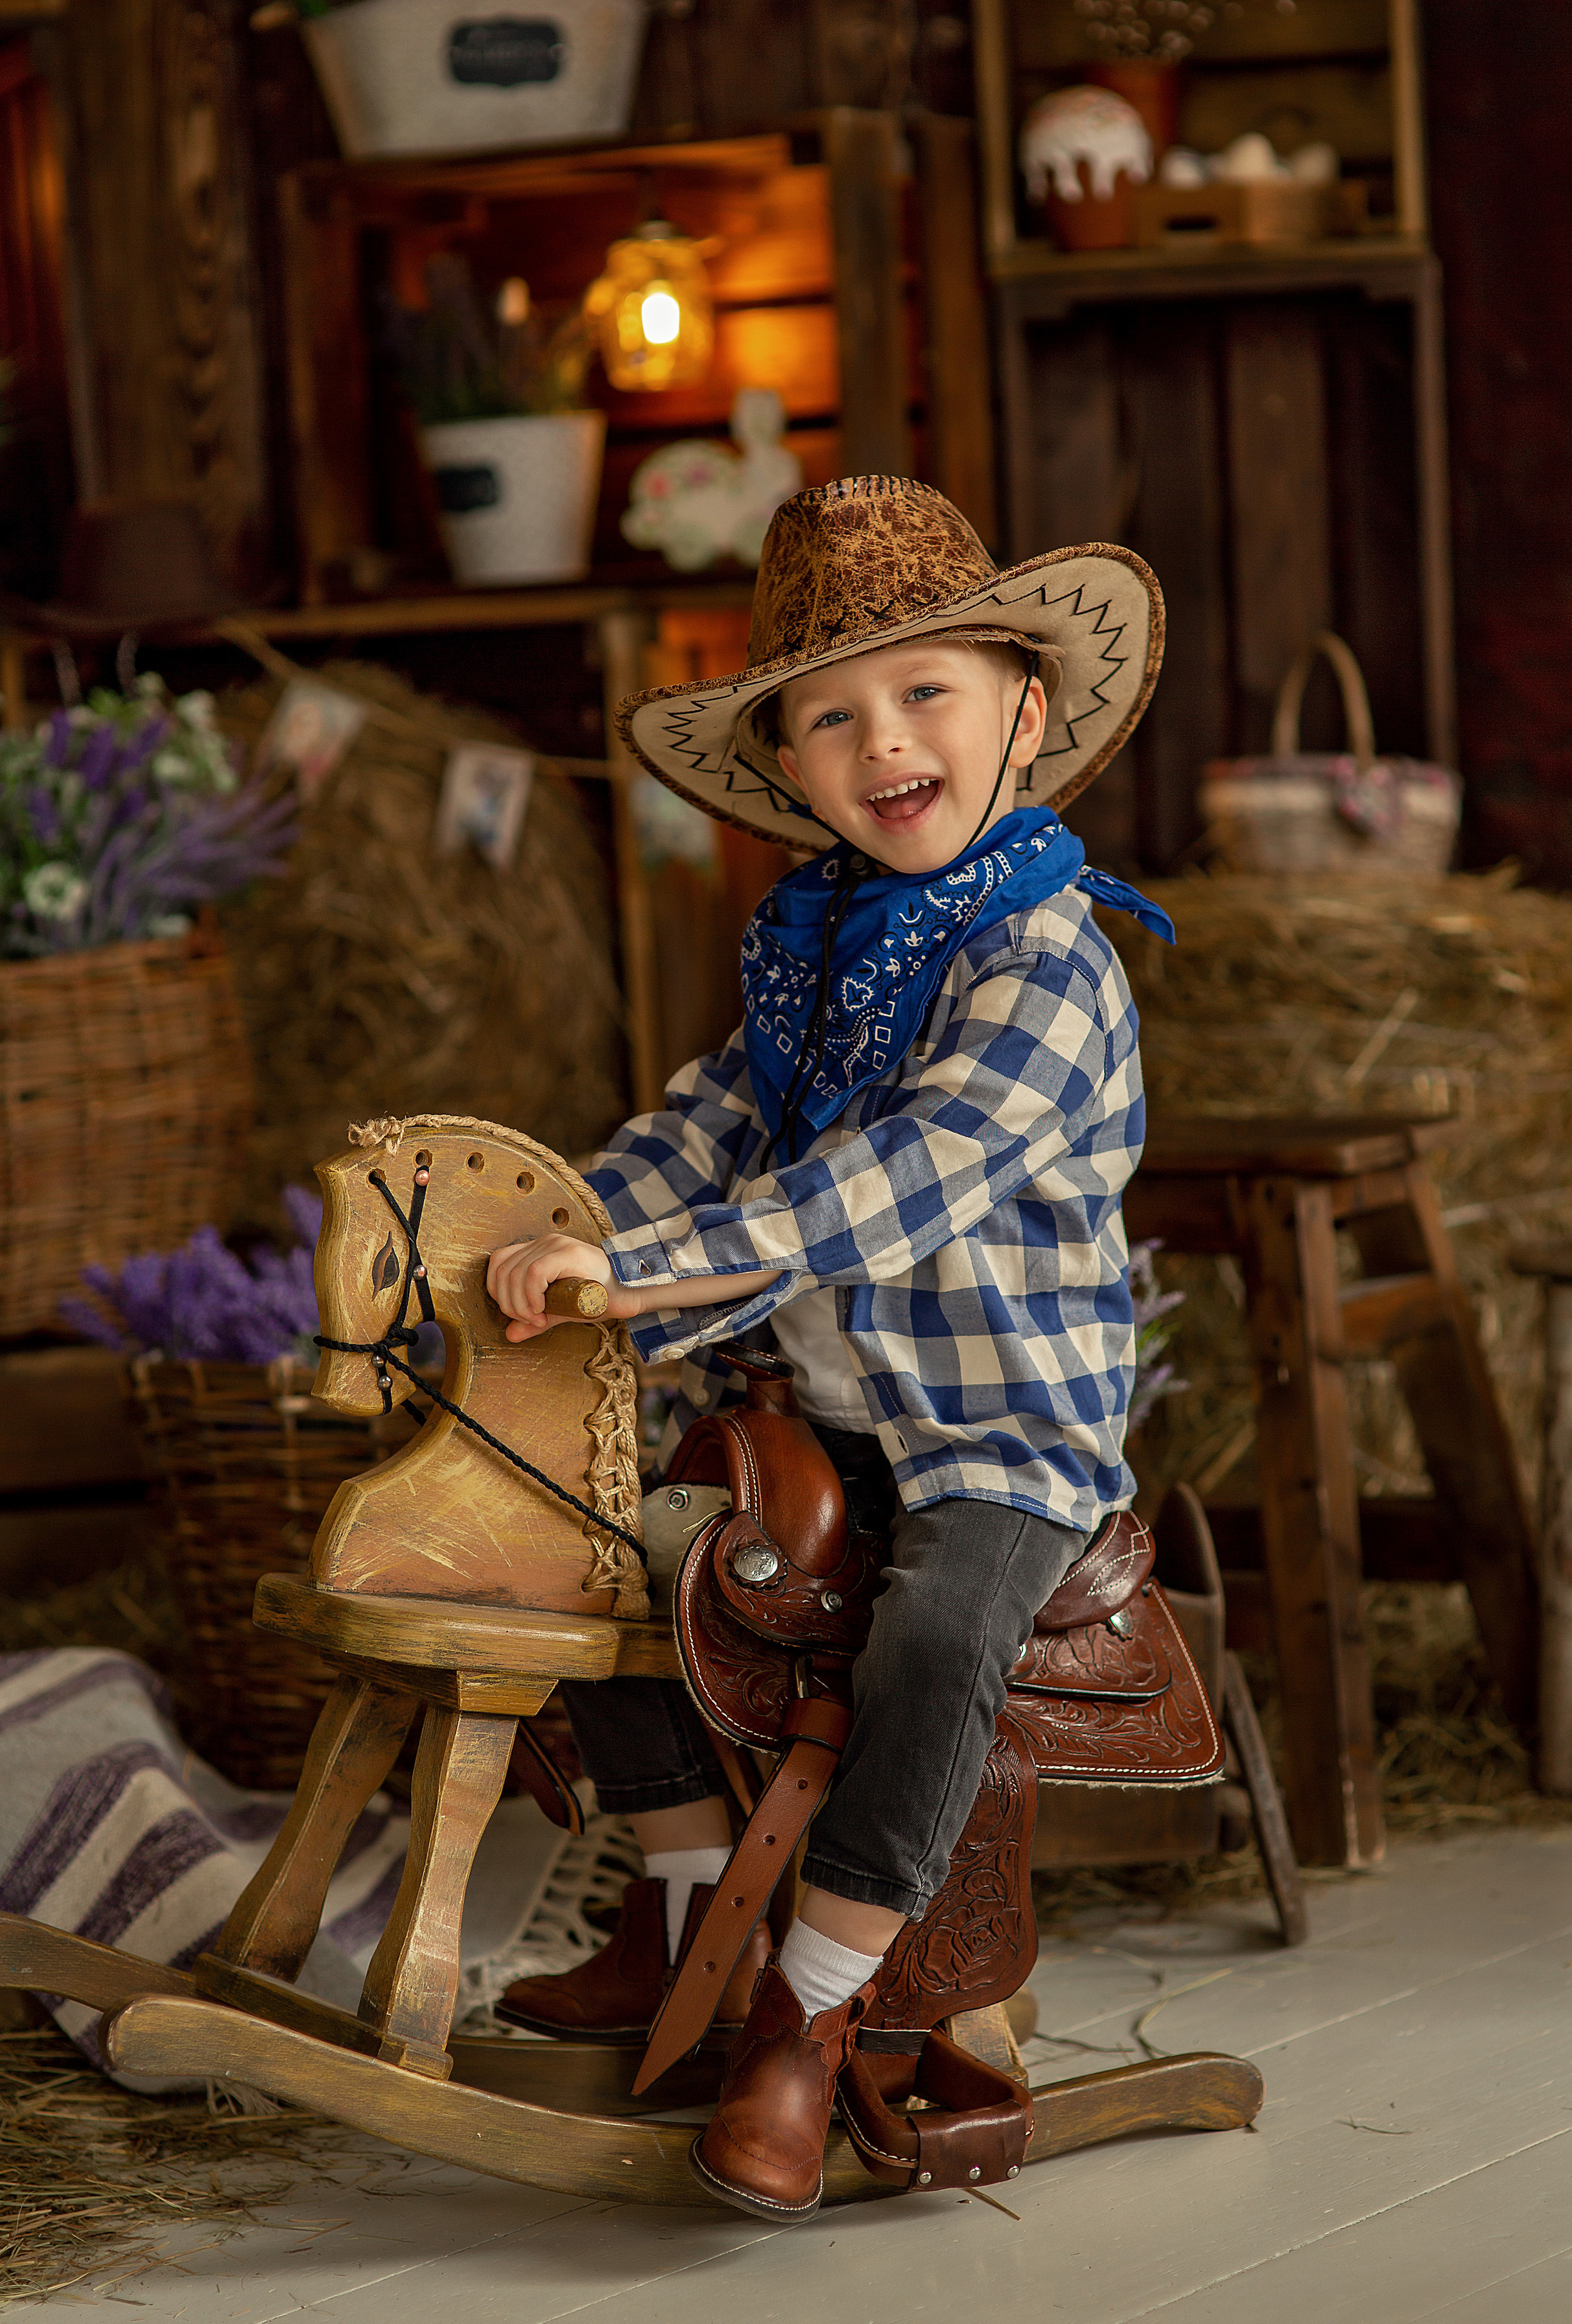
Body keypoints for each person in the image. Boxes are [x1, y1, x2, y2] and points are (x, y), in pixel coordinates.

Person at [485, 476, 1173, 2220]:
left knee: (938, 1632)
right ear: (789, 766)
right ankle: (686, 1915)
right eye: (832, 716)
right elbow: (700, 1132)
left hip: (1000, 1426)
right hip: (817, 1407)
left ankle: (810, 2006)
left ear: (1025, 708)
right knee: (597, 1544)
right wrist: (563, 1232)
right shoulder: (810, 970)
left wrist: (651, 1287)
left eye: (926, 694)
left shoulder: (1047, 964)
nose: (884, 743)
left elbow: (890, 1186)